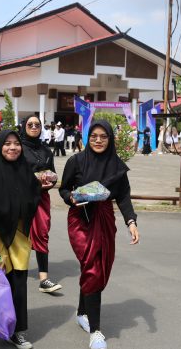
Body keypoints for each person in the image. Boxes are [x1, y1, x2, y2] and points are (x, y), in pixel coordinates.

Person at [59, 120, 140, 349]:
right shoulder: (76, 161)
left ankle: (82, 312)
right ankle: (96, 332)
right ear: (87, 137)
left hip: (104, 218)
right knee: (92, 266)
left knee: (96, 268)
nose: (98, 140)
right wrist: (71, 197)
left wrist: (131, 221)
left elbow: (123, 196)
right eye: (94, 136)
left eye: (103, 136)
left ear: (110, 139)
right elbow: (64, 189)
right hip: (81, 219)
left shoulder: (116, 165)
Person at [0, 129, 41, 349]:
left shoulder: (25, 169)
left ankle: (18, 330)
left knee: (18, 283)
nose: (12, 148)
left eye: (16, 143)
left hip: (18, 235)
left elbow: (34, 194)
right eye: (7, 143)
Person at [20, 115, 62, 294]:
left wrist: (50, 181)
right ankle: (9, 271)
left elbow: (52, 172)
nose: (34, 127)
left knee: (42, 234)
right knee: (18, 234)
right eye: (30, 124)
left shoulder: (46, 149)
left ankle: (43, 279)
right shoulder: (18, 147)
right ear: (24, 126)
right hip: (21, 197)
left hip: (41, 198)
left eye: (37, 124)